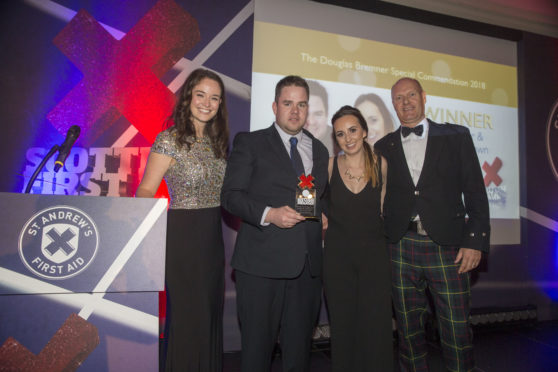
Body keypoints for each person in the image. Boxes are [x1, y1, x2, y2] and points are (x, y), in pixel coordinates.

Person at [375, 77, 490, 372]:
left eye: (411, 95)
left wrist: (475, 240)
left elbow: (475, 191)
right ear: (393, 104)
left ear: (424, 97)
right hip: (400, 246)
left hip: (449, 247)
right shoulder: (382, 145)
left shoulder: (456, 136)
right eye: (398, 98)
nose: (406, 102)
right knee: (408, 333)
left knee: (456, 331)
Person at [221, 75, 329, 371]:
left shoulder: (319, 149)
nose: (295, 111)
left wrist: (324, 212)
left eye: (302, 104)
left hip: (306, 269)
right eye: (288, 103)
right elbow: (231, 197)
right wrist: (270, 214)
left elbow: (316, 197)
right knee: (257, 353)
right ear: (274, 106)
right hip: (261, 266)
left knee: (298, 355)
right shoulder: (251, 142)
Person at [135, 68, 229, 372]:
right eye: (201, 94)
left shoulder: (219, 142)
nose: (207, 102)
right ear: (188, 96)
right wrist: (145, 235)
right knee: (188, 317)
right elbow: (146, 189)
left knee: (209, 314)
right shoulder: (170, 139)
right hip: (181, 238)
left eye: (214, 98)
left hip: (212, 237)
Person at [323, 105, 393, 372]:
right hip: (337, 261)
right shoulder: (328, 165)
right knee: (342, 328)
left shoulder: (381, 164)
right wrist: (315, 216)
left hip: (374, 259)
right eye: (340, 134)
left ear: (364, 131)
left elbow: (385, 210)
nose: (348, 138)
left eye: (352, 130)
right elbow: (304, 194)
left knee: (376, 327)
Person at [304, 80, 337, 156]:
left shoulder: (344, 147)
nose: (311, 121)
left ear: (327, 114)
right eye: (305, 114)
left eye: (318, 114)